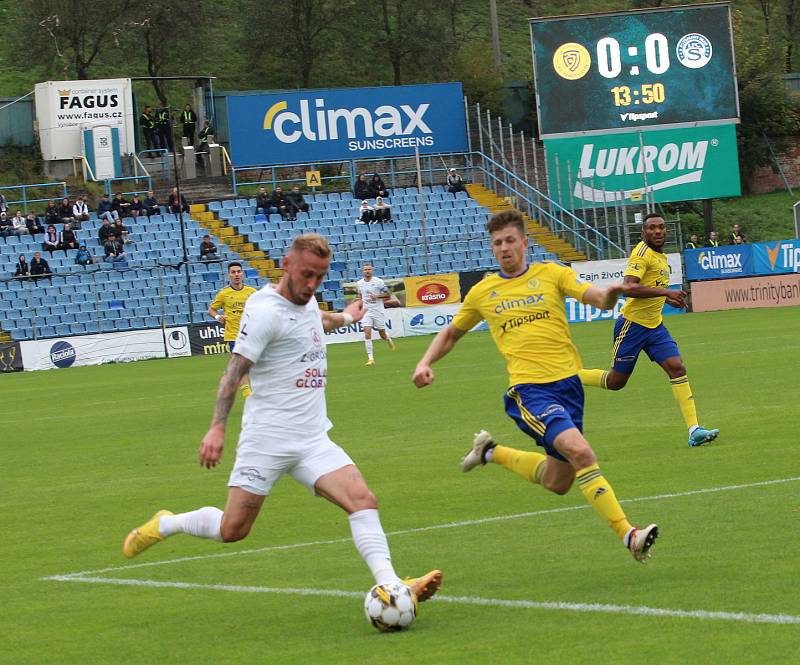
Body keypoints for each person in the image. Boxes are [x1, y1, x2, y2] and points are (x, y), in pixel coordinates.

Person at [122, 234, 443, 610]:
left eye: (320, 277)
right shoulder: (264, 313)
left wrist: (345, 317)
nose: (312, 284)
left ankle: (393, 584)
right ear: (286, 264)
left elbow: (313, 320)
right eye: (307, 274)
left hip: (312, 438)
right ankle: (167, 523)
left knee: (362, 500)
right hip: (267, 440)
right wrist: (217, 426)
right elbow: (233, 372)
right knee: (233, 530)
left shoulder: (305, 300)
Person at [412, 209, 658, 563]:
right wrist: (425, 362)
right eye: (497, 243)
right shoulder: (484, 292)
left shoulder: (552, 273)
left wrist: (613, 294)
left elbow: (595, 298)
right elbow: (452, 332)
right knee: (583, 453)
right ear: (492, 248)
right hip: (530, 392)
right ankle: (629, 535)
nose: (504, 248)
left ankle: (490, 452)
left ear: (525, 243)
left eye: (510, 240)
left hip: (569, 388)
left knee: (558, 482)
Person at [579, 213, 719, 447]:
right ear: (644, 232)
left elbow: (649, 288)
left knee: (677, 367)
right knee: (616, 382)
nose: (658, 231)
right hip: (632, 326)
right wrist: (666, 294)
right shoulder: (641, 254)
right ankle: (566, 375)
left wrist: (666, 301)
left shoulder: (661, 257)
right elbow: (628, 288)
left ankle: (694, 430)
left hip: (655, 327)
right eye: (652, 228)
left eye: (661, 227)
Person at [208, 262, 258, 398]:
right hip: (233, 336)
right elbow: (211, 310)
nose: (236, 274)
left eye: (238, 272)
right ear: (229, 275)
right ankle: (248, 394)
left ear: (242, 274)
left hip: (251, 335)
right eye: (233, 272)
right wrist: (218, 317)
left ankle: (228, 376)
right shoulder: (224, 293)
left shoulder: (252, 292)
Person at [355, 263, 395, 366]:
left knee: (382, 335)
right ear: (363, 271)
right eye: (365, 270)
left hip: (378, 311)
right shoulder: (359, 283)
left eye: (369, 269)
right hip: (366, 311)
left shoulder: (379, 282)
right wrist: (358, 301)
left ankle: (388, 338)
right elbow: (359, 295)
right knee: (367, 333)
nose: (367, 271)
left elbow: (388, 294)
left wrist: (376, 296)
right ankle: (371, 359)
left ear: (372, 270)